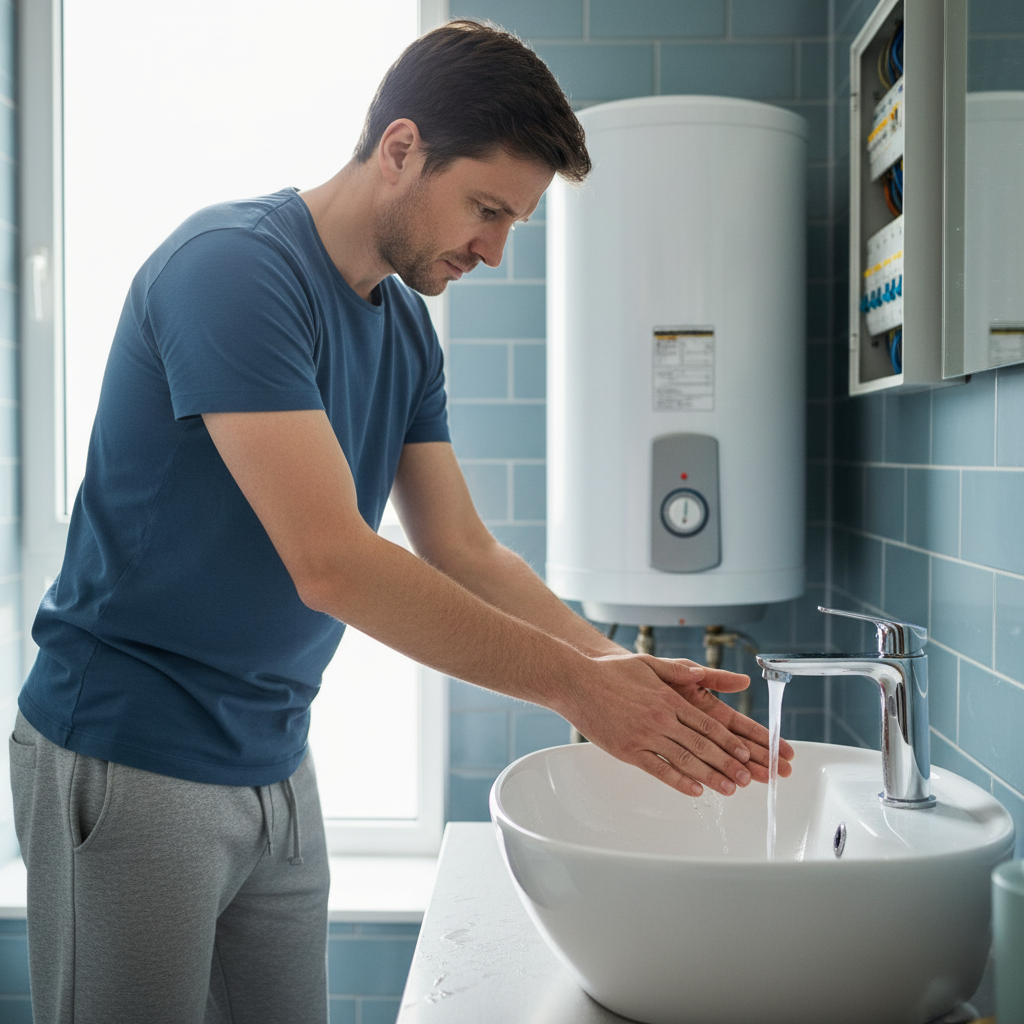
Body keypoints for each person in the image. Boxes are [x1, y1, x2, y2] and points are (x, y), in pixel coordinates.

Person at [9, 18, 794, 1024]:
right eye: (486, 209)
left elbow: (462, 548)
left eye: (513, 222)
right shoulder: (234, 270)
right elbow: (332, 561)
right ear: (400, 148)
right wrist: (576, 692)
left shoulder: (405, 332)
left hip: (277, 760)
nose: (497, 250)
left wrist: (615, 672)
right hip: (133, 755)